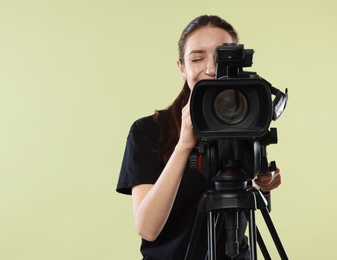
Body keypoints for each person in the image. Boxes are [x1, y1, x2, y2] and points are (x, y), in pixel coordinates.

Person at [116, 15, 281, 260]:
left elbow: (252, 208)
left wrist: (262, 184)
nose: (211, 69)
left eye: (221, 57)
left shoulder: (248, 119)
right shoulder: (147, 131)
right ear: (182, 68)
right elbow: (147, 229)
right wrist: (184, 144)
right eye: (197, 58)